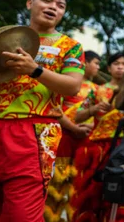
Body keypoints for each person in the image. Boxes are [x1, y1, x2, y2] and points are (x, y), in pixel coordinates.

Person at [0, 0, 85, 222]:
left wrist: (35, 70)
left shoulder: (70, 46)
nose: (53, 7)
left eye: (60, 6)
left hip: (34, 133)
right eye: (47, 1)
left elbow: (73, 86)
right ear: (30, 4)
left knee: (21, 214)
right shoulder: (2, 39)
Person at [71, 52, 124, 222]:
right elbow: (77, 116)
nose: (120, 67)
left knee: (123, 193)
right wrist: (94, 109)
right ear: (109, 68)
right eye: (116, 63)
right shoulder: (96, 90)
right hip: (97, 147)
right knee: (93, 194)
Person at [45, 50, 101, 222]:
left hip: (84, 140)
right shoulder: (64, 83)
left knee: (80, 186)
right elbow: (55, 108)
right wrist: (73, 127)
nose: (98, 67)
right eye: (96, 63)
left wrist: (91, 125)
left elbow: (101, 118)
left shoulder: (97, 90)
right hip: (62, 139)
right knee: (56, 184)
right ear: (85, 63)